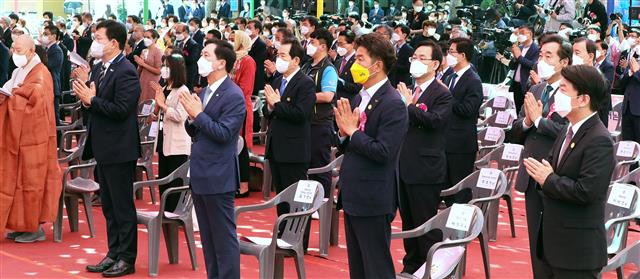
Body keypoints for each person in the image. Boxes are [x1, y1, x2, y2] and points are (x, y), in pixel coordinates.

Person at [523, 65, 614, 278]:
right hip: (552, 243)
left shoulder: (599, 140)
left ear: (583, 99)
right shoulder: (567, 129)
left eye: (563, 90)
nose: (558, 96)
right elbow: (552, 169)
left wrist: (548, 179)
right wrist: (543, 177)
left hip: (576, 251)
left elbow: (587, 191)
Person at [334, 32, 408, 279]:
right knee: (358, 268)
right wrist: (344, 134)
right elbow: (350, 143)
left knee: (376, 268)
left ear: (377, 66)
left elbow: (383, 151)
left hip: (374, 198)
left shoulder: (392, 103)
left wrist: (353, 132)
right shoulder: (360, 96)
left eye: (361, 59)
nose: (355, 64)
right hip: (354, 193)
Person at [72, 20, 141, 277]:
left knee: (122, 206)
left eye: (99, 38)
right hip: (102, 146)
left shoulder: (126, 71)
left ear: (114, 43)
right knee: (110, 206)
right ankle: (113, 252)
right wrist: (87, 101)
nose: (94, 42)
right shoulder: (100, 68)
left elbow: (122, 110)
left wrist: (92, 100)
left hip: (120, 148)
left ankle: (127, 258)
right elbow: (94, 106)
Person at [181, 38, 244, 279]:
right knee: (207, 239)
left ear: (221, 63)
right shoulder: (205, 90)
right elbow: (197, 130)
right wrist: (191, 118)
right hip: (200, 172)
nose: (200, 59)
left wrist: (198, 115)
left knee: (223, 239)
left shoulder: (233, 95)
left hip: (218, 176)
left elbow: (224, 134)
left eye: (206, 55)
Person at [511, 34, 572, 278]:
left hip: (556, 174)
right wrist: (527, 122)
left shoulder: (571, 93)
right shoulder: (536, 88)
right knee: (535, 241)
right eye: (541, 55)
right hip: (531, 173)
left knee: (554, 244)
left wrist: (538, 120)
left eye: (549, 56)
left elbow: (568, 133)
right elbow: (516, 130)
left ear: (564, 62)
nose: (542, 60)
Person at [395, 40, 452, 276]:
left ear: (435, 64)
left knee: (425, 222)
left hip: (426, 167)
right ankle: (412, 265)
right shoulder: (406, 89)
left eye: (422, 58)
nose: (416, 62)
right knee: (408, 222)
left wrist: (409, 106)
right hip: (403, 165)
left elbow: (436, 121)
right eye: (413, 58)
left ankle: (434, 268)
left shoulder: (442, 93)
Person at [0, 34, 61, 243]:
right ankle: (20, 224)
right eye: (13, 50)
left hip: (35, 137)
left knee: (31, 181)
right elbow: (12, 90)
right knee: (16, 181)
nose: (14, 54)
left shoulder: (41, 73)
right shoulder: (19, 70)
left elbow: (36, 104)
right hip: (17, 135)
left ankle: (34, 227)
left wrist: (13, 98)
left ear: (31, 51)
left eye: (19, 51)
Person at [262, 37, 316, 223]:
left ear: (296, 60)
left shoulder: (305, 83)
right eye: (278, 55)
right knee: (282, 200)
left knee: (297, 201)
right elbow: (267, 110)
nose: (279, 59)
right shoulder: (278, 80)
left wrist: (276, 105)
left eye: (283, 55)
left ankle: (298, 241)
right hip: (276, 148)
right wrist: (270, 107)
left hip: (294, 151)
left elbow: (300, 114)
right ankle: (283, 238)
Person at [300, 27, 339, 251]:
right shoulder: (307, 66)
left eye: (312, 41)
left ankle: (321, 204)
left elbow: (328, 95)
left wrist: (302, 96)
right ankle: (307, 202)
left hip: (320, 124)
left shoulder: (328, 69)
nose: (309, 45)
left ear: (323, 46)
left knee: (321, 165)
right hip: (305, 123)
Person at [443, 37, 483, 202]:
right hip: (446, 140)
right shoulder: (451, 77)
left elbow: (468, 109)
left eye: (452, 52)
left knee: (459, 190)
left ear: (463, 55)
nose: (449, 55)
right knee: (446, 188)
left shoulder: (473, 80)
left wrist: (446, 96)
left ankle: (464, 227)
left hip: (461, 143)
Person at [150, 53, 191, 212]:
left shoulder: (183, 90)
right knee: (163, 179)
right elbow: (156, 114)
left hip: (177, 142)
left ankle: (175, 213)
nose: (163, 69)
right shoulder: (165, 88)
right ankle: (164, 212)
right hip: (163, 139)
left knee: (175, 181)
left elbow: (180, 116)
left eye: (166, 66)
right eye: (163, 66)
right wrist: (157, 105)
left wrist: (163, 105)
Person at [228, 30, 256, 198]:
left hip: (240, 107)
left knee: (241, 146)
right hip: (230, 106)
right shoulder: (232, 59)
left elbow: (245, 88)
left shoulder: (248, 61)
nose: (229, 41)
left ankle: (244, 185)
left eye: (233, 39)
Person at [499, 25, 538, 115]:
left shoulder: (536, 49)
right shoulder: (520, 47)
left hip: (526, 85)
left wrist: (519, 57)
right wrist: (514, 58)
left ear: (530, 34)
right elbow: (512, 66)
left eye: (522, 33)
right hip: (516, 84)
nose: (520, 35)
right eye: (519, 33)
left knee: (524, 111)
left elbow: (533, 65)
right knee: (515, 109)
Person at [572, 37, 610, 126]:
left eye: (577, 53)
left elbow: (602, 115)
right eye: (572, 53)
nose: (573, 57)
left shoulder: (601, 82)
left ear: (590, 56)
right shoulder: (570, 79)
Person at [41, 25, 64, 125]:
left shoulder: (56, 50)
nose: (44, 36)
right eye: (43, 34)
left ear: (54, 36)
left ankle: (58, 140)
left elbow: (48, 66)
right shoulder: (47, 49)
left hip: (53, 86)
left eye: (46, 34)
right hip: (47, 86)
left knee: (54, 118)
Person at [618, 42, 640, 143]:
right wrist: (630, 72)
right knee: (627, 143)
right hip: (627, 109)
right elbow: (621, 85)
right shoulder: (633, 61)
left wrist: (636, 71)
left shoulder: (635, 66)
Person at [136, 28, 162, 102]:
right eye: (144, 37)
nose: (145, 39)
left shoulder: (158, 52)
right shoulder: (144, 51)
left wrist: (143, 64)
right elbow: (139, 70)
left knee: (149, 104)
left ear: (155, 39)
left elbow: (158, 71)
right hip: (143, 80)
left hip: (152, 82)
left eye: (148, 37)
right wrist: (140, 63)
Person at [334, 30, 361, 102]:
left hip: (349, 102)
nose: (339, 47)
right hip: (336, 101)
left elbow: (358, 87)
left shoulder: (358, 62)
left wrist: (343, 83)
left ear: (352, 44)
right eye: (338, 44)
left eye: (341, 44)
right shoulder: (338, 61)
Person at [174, 23, 202, 90]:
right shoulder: (177, 42)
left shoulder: (193, 44)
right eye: (176, 32)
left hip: (188, 74)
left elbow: (192, 59)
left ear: (186, 32)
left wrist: (176, 57)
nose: (177, 34)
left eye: (179, 32)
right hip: (178, 73)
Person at [247, 20, 267, 97]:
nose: (247, 30)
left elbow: (256, 62)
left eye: (249, 28)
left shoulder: (261, 44)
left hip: (255, 78)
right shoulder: (246, 43)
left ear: (257, 30)